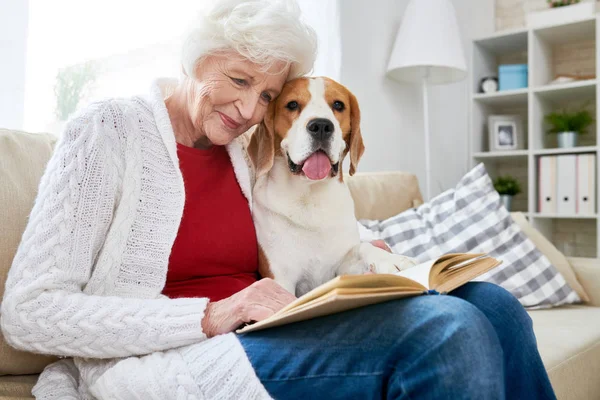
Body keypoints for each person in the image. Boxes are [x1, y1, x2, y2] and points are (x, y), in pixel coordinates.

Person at [0, 0, 556, 399]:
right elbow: (28, 314)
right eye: (237, 79)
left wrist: (366, 250)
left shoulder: (248, 149)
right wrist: (213, 316)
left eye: (265, 94)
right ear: (196, 59)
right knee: (448, 331)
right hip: (181, 356)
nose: (247, 108)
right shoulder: (106, 132)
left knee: (494, 306)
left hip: (277, 326)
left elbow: (302, 219)